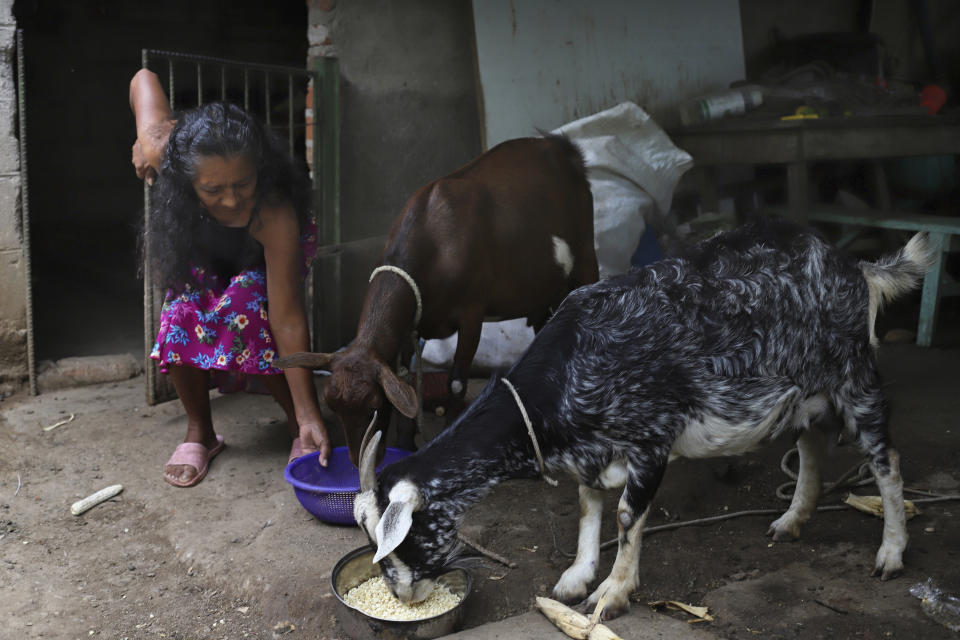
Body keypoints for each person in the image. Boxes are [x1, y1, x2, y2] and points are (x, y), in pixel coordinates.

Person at [129, 68, 331, 487]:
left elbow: (288, 317)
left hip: (265, 253)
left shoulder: (272, 209)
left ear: (260, 167)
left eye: (243, 183)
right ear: (186, 182)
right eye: (213, 189)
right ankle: (201, 432)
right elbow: (143, 77)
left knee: (245, 308)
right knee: (181, 314)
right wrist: (144, 140)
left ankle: (299, 423)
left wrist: (312, 411)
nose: (232, 199)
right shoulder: (163, 152)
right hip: (206, 251)